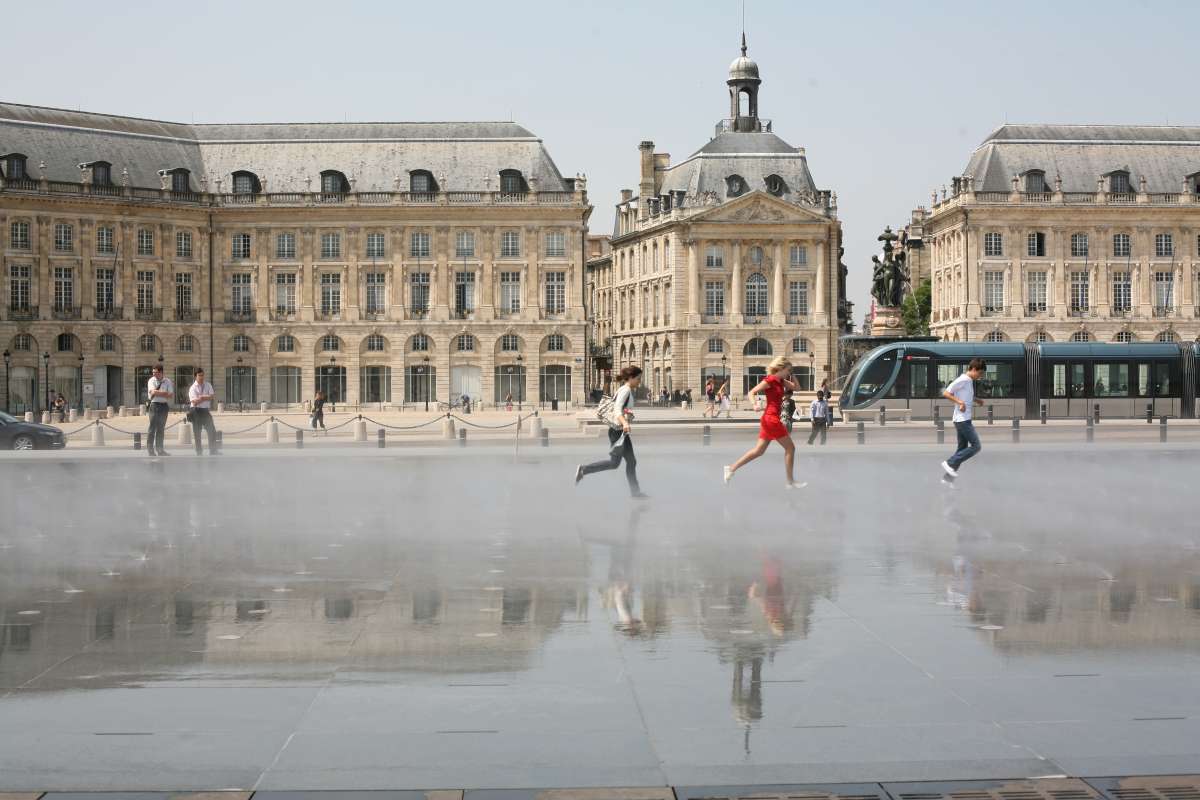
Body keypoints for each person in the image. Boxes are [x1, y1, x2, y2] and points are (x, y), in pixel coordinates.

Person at [724, 356, 804, 488]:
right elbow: (751, 392)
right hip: (771, 419)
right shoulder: (771, 380)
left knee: (758, 451)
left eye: (790, 371)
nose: (789, 373)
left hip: (769, 418)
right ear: (781, 368)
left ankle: (731, 469)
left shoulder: (781, 381)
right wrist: (754, 404)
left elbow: (797, 388)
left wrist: (793, 373)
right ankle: (790, 481)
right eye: (788, 370)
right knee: (790, 448)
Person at [575, 365, 648, 499]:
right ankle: (584, 469)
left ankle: (635, 492)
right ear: (631, 378)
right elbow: (617, 410)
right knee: (615, 463)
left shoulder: (625, 389)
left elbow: (622, 409)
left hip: (620, 431)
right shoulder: (625, 390)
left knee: (631, 462)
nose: (639, 381)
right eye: (638, 378)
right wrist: (625, 422)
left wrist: (627, 417)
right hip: (618, 430)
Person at [941, 358, 986, 483]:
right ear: (973, 369)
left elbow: (966, 396)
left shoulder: (969, 381)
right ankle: (949, 462)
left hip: (963, 419)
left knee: (962, 449)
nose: (980, 376)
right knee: (976, 446)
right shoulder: (963, 379)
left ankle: (947, 479)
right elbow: (946, 393)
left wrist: (976, 399)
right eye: (980, 373)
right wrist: (959, 402)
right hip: (962, 420)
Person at [188, 368, 218, 456]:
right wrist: (205, 397)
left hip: (205, 411)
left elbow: (212, 396)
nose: (201, 377)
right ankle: (199, 451)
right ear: (195, 376)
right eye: (199, 375)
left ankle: (213, 450)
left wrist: (202, 398)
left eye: (202, 375)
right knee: (197, 432)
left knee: (212, 430)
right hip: (196, 411)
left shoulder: (208, 385)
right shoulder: (192, 388)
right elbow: (194, 401)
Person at [146, 365, 173, 457]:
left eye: (156, 372)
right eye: (153, 372)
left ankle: (160, 449)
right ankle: (150, 449)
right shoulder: (151, 380)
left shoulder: (167, 381)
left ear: (161, 372)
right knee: (152, 428)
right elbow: (153, 392)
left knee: (161, 429)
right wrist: (164, 393)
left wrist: (161, 393)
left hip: (164, 406)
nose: (154, 374)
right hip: (154, 405)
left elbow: (170, 395)